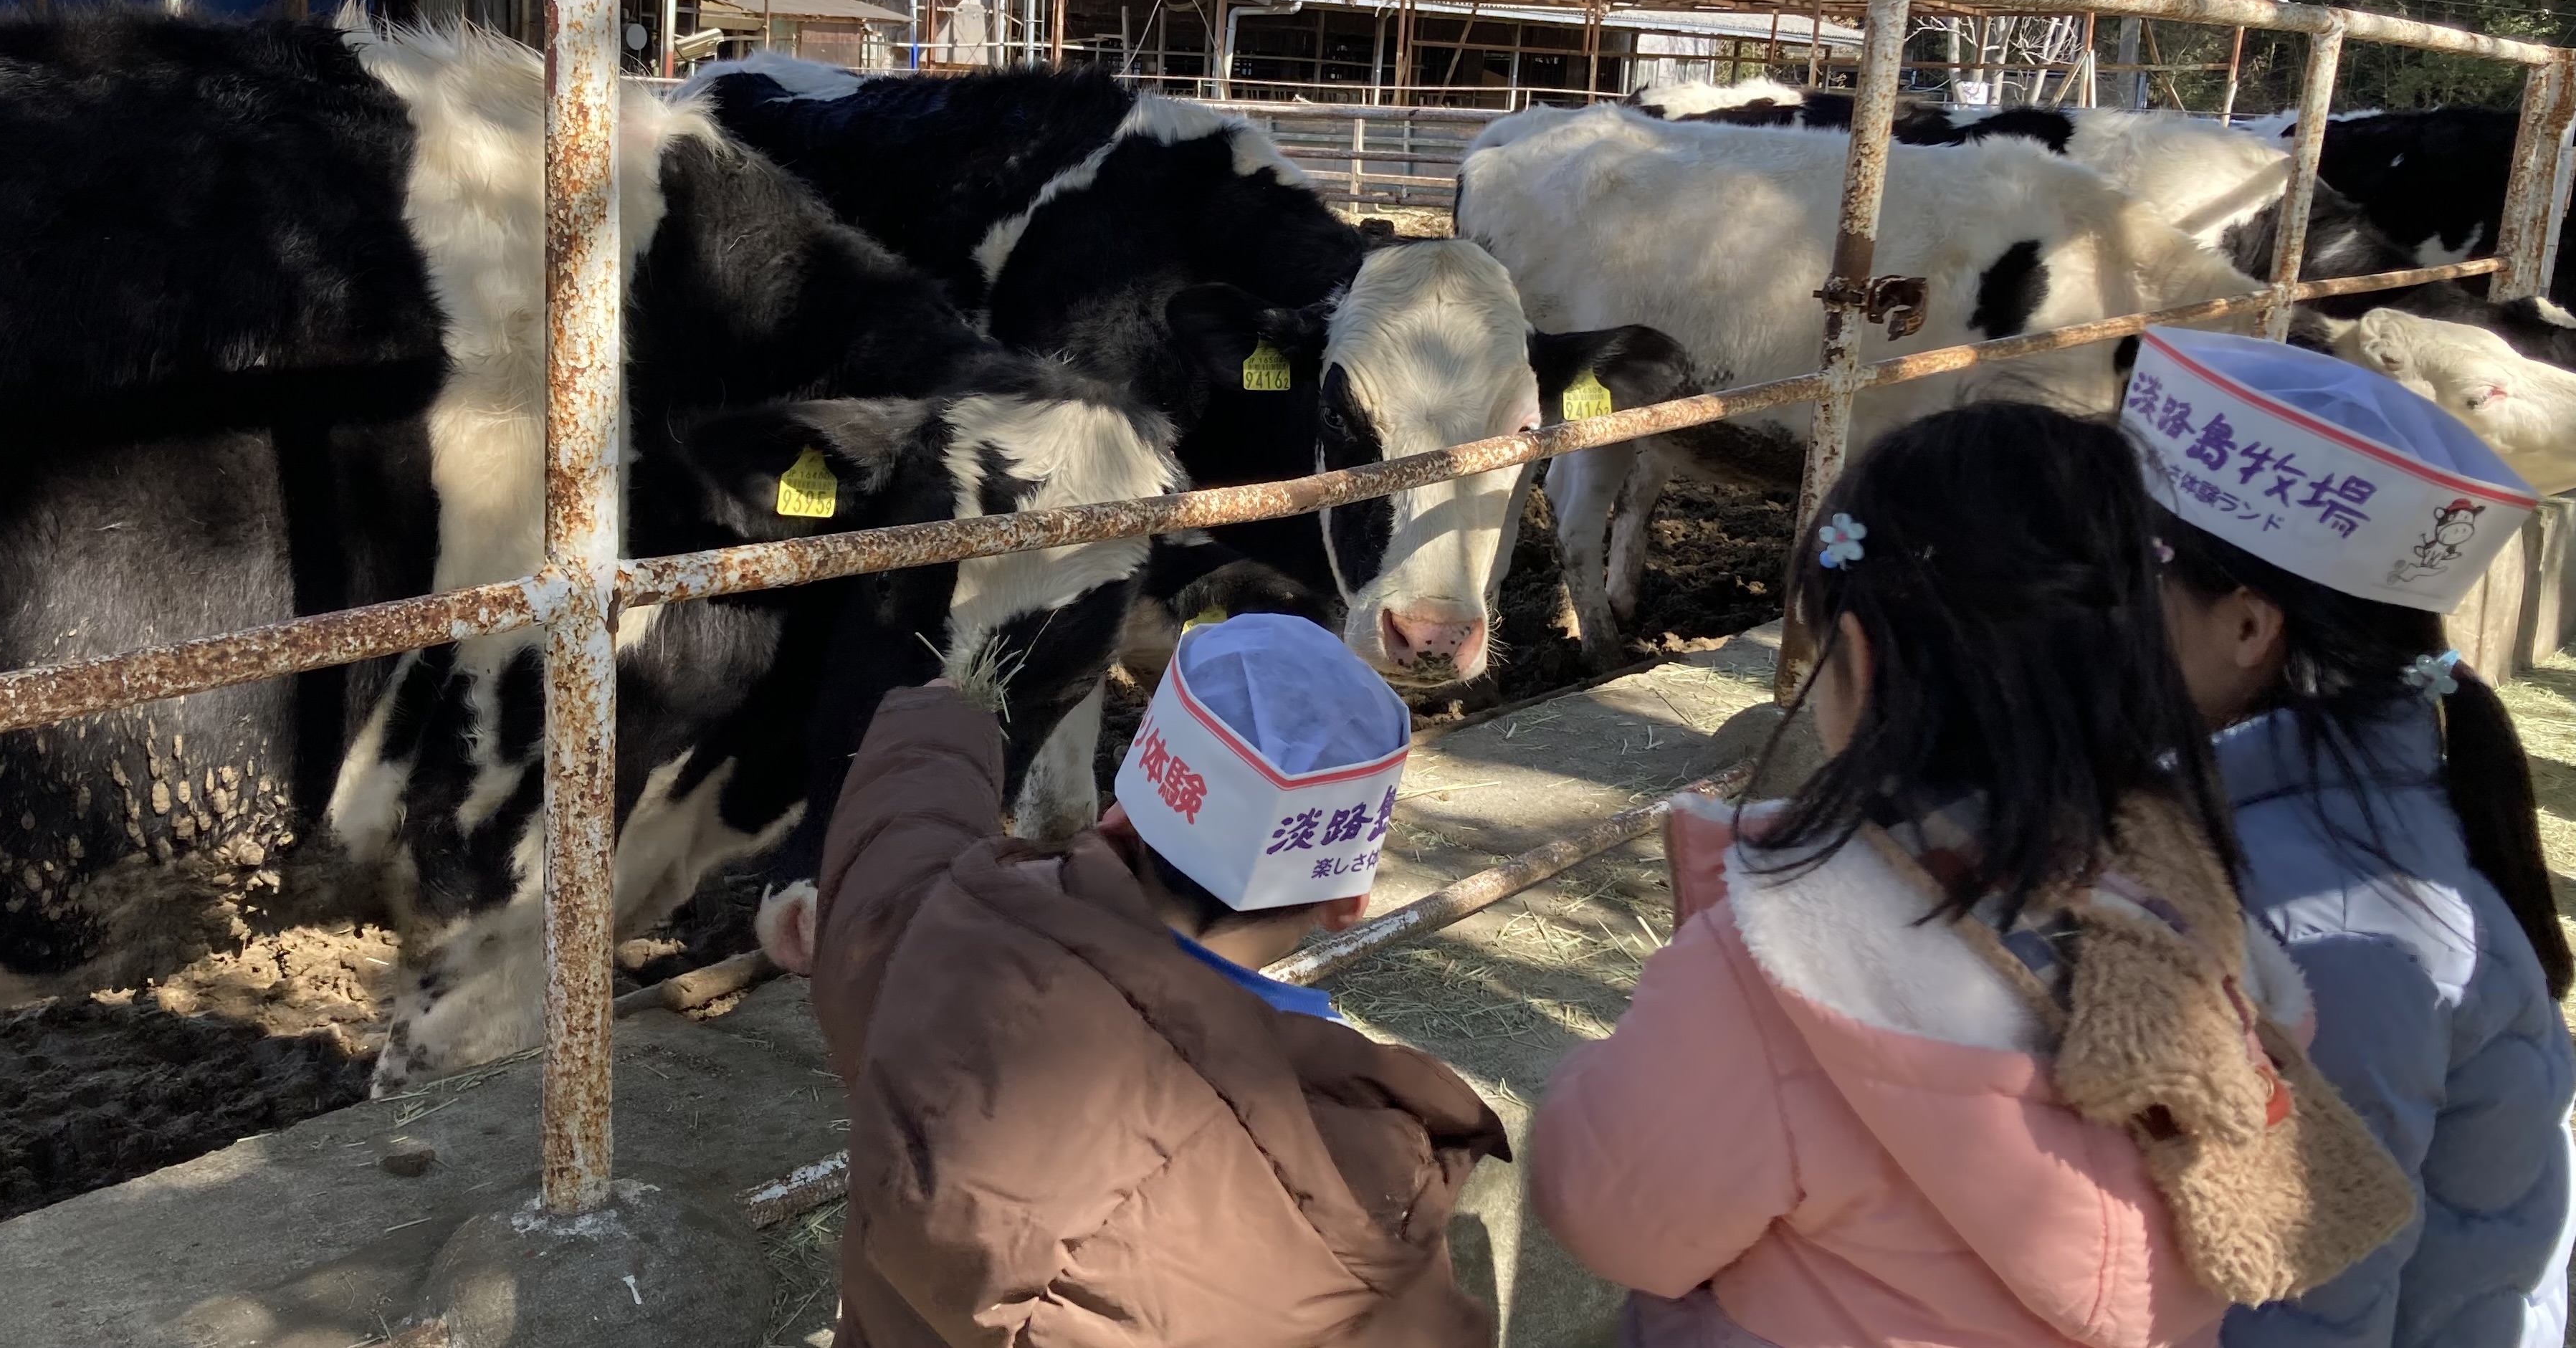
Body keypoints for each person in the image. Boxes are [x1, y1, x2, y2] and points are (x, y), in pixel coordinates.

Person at [1528, 401, 2414, 1348]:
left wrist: (1594, 1072)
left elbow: (1614, 1217)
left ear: (1858, 660)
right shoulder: (2184, 912)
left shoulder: (1776, 971)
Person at [808, 611, 1511, 1348]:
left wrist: (946, 716)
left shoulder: (944, 937)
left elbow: (894, 846)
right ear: (1347, 901)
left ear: (1121, 818)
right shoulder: (1353, 1177)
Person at [2124, 326, 2576, 1348]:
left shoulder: (2326, 926)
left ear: (2249, 628)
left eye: (2132, 574)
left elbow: (2299, 1302)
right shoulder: (2315, 818)